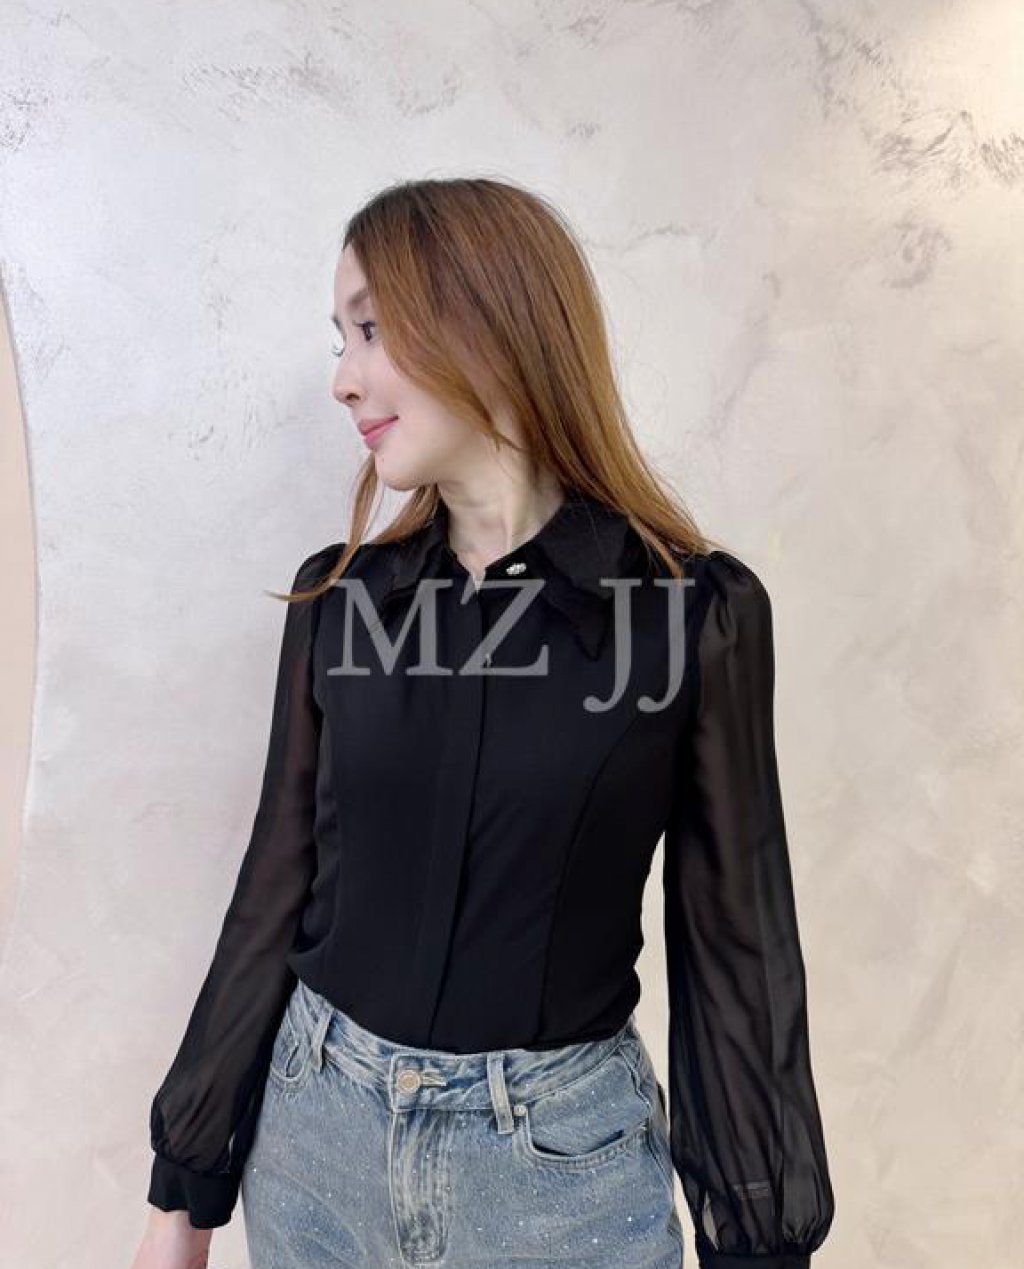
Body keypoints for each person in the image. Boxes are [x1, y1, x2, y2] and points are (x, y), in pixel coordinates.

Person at [130, 176, 835, 1269]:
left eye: (370, 330)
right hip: (315, 1147)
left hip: (559, 1181)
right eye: (340, 339)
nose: (342, 378)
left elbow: (737, 954)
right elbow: (274, 888)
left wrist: (759, 1244)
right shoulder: (341, 604)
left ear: (488, 322)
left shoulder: (692, 618)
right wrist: (179, 1207)